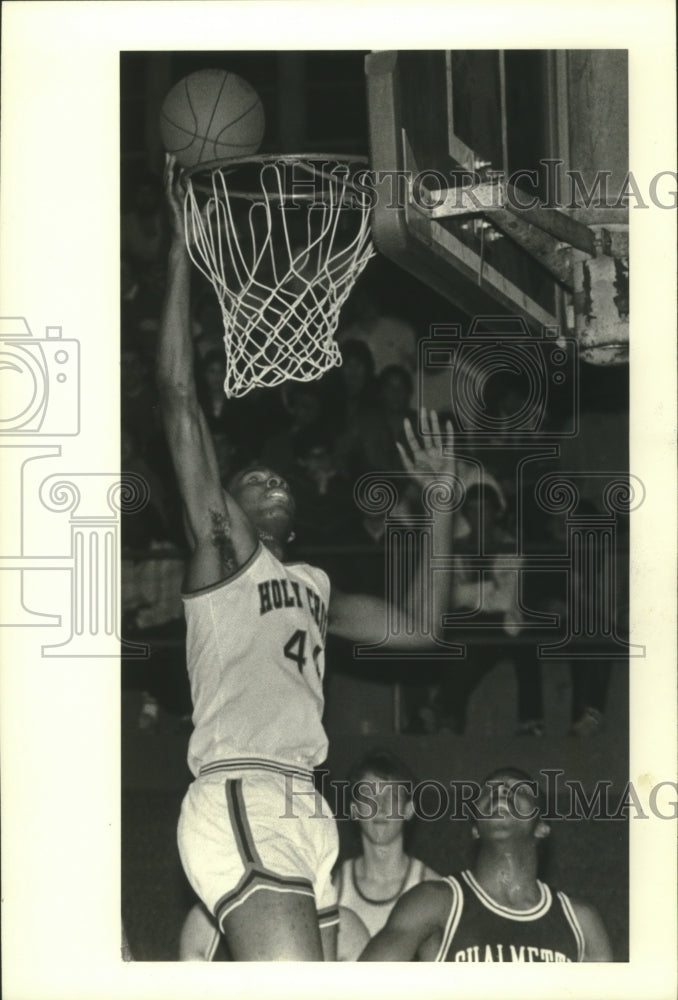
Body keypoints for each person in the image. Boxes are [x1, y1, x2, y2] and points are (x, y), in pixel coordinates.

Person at [157, 154, 457, 962]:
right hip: (242, 789)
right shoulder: (222, 558)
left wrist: (438, 503)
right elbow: (179, 402)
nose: (270, 480)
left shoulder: (315, 589)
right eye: (250, 478)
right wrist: (185, 248)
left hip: (307, 811)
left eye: (277, 476)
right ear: (229, 508)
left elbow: (424, 629)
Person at [359, 767, 613, 962]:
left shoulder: (580, 920)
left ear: (542, 827)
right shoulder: (435, 902)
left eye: (518, 790)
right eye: (490, 791)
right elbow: (357, 989)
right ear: (475, 829)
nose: (501, 792)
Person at [334, 749, 441, 959]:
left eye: (390, 797)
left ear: (409, 809)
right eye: (369, 797)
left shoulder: (432, 887)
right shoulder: (336, 887)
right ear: (354, 810)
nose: (380, 807)